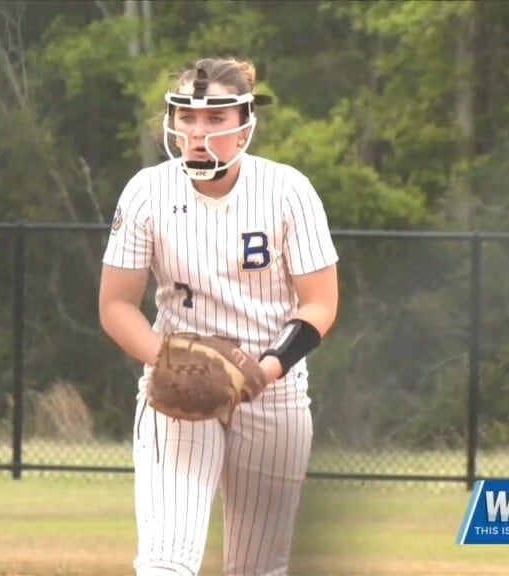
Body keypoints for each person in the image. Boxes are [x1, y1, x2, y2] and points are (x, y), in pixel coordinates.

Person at [98, 57, 340, 576]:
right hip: (177, 389)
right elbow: (116, 305)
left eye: (215, 119)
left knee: (257, 569)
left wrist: (264, 369)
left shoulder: (288, 191)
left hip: (273, 393)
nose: (198, 132)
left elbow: (320, 303)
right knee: (166, 563)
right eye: (187, 118)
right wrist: (172, 360)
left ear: (245, 124)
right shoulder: (147, 191)